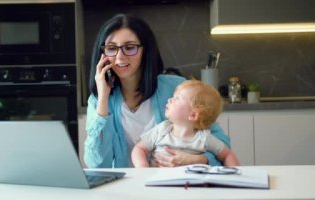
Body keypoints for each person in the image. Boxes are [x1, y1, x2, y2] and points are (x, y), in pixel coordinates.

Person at [84, 13, 230, 168]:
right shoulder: (99, 101)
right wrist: (103, 99)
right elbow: (96, 164)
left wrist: (200, 159)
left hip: (174, 185)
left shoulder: (176, 89)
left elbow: (222, 144)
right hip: (127, 187)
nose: (120, 57)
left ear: (145, 50)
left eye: (130, 47)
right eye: (111, 48)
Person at [132, 80, 239, 167]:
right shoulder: (162, 130)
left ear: (193, 115)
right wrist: (143, 168)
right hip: (159, 185)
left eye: (177, 98)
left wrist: (234, 177)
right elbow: (139, 148)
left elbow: (227, 155)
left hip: (193, 186)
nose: (169, 99)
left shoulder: (204, 138)